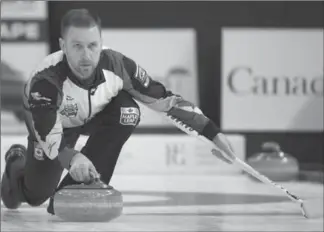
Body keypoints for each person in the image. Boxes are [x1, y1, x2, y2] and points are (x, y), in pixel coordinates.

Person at [1, 9, 236, 215]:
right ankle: (16, 162)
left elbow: (164, 100)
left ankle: (76, 189)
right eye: (77, 46)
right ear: (63, 46)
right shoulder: (45, 80)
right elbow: (46, 131)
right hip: (54, 126)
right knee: (34, 196)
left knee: (128, 111)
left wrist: (212, 131)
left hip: (96, 117)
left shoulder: (118, 65)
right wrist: (73, 158)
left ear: (101, 42)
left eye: (93, 46)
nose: (86, 55)